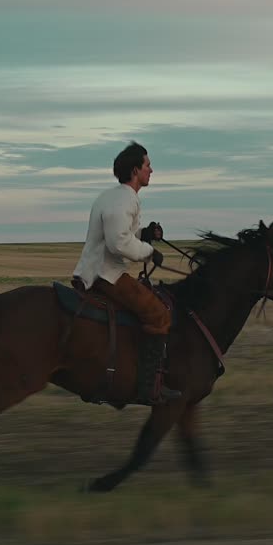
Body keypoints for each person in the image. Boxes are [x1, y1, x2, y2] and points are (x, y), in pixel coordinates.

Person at [72, 141, 182, 405]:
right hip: (106, 274)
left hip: (98, 269)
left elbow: (123, 234)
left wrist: (146, 235)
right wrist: (148, 252)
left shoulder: (112, 196)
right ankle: (148, 389)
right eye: (147, 165)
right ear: (135, 170)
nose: (151, 170)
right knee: (158, 314)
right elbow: (118, 242)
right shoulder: (125, 199)